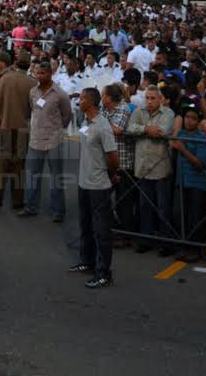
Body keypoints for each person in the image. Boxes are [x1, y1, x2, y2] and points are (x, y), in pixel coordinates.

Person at [68, 87, 118, 289]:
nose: (79, 101)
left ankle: (104, 273)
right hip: (84, 183)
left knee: (101, 231)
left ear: (90, 102)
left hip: (98, 186)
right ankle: (87, 262)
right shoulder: (85, 122)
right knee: (86, 226)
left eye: (81, 98)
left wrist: (112, 174)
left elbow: (113, 156)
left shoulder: (102, 127)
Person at [127, 85, 175, 255]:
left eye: (152, 98)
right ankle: (146, 239)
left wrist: (141, 130)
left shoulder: (168, 113)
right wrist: (146, 129)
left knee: (163, 207)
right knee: (144, 205)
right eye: (147, 97)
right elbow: (130, 128)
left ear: (160, 99)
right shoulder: (139, 110)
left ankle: (165, 242)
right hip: (142, 165)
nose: (149, 101)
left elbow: (162, 132)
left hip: (160, 166)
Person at [21, 61, 72, 220]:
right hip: (35, 139)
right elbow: (32, 110)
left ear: (50, 74)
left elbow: (67, 115)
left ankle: (58, 211)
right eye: (37, 73)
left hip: (54, 140)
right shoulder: (32, 92)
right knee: (32, 176)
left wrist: (56, 128)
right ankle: (30, 207)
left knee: (56, 177)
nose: (39, 76)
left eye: (42, 73)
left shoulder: (60, 94)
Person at [0, 50, 35, 210]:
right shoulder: (32, 83)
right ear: (29, 65)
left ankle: (0, 188)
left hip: (6, 124)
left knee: (3, 158)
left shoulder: (5, 79)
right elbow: (35, 108)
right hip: (23, 127)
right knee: (19, 162)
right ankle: (17, 199)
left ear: (16, 63)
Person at [169, 105, 206, 261]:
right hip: (181, 181)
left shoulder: (201, 138)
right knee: (180, 215)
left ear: (198, 121)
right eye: (187, 117)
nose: (189, 121)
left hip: (197, 183)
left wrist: (183, 149)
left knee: (196, 217)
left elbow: (200, 164)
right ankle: (183, 247)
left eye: (193, 118)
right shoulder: (180, 133)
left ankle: (196, 250)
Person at [100, 84, 137, 247]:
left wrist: (99, 126)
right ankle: (113, 230)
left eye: (103, 95)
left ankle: (127, 235)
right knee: (105, 199)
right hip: (107, 162)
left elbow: (117, 129)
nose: (101, 98)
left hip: (122, 162)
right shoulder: (104, 109)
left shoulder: (123, 108)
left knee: (124, 202)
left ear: (109, 97)